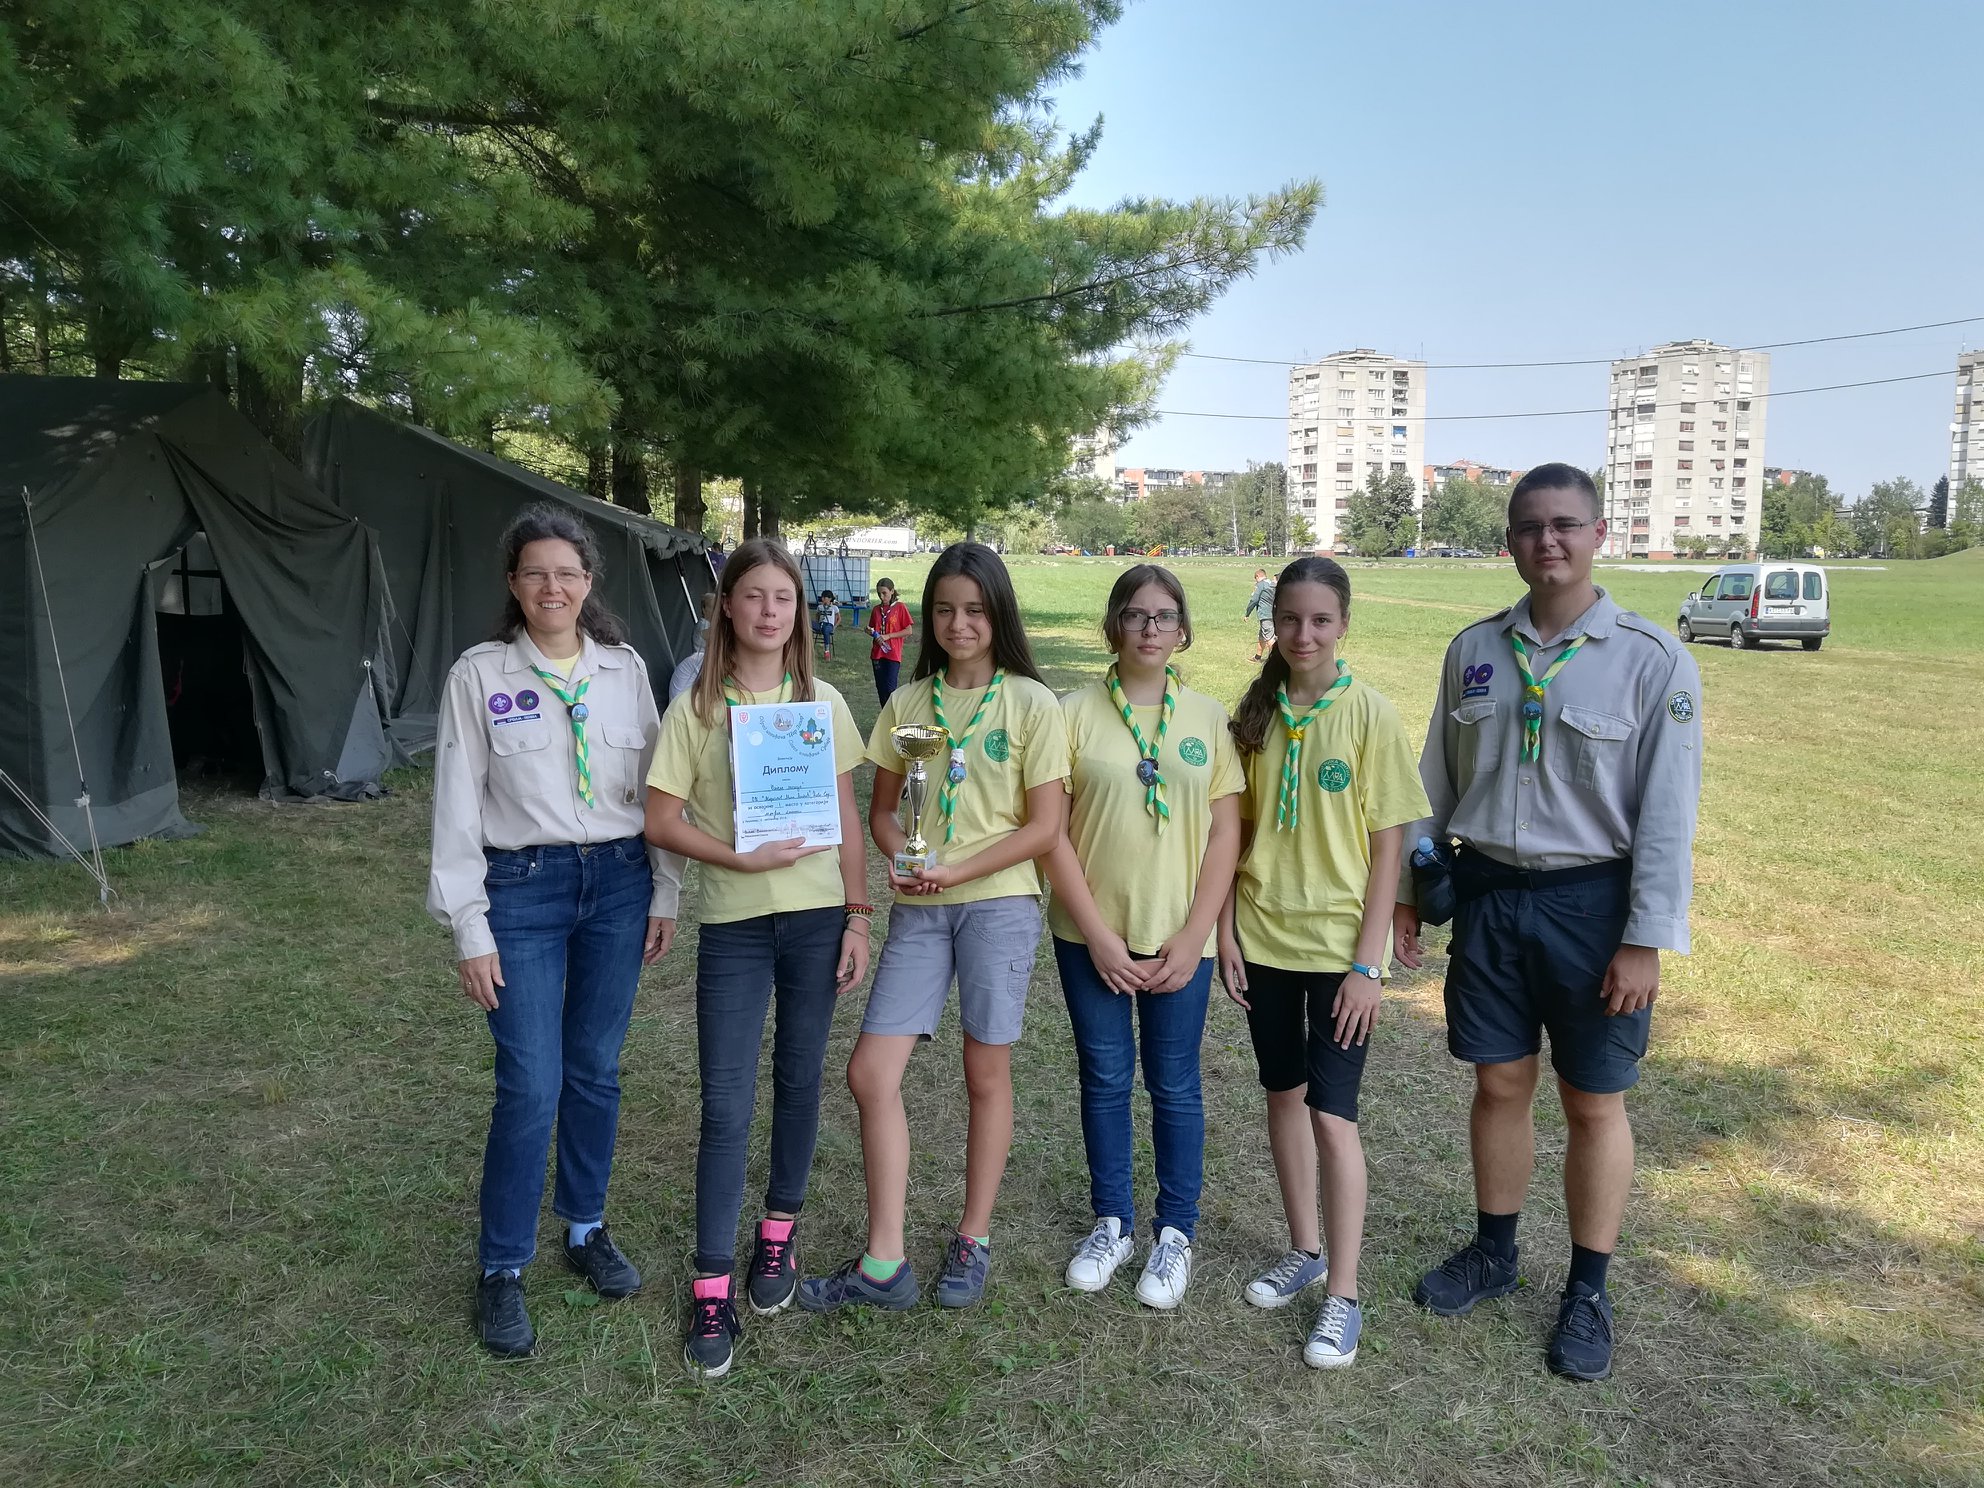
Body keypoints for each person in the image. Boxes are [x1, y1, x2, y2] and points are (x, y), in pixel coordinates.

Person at [1395, 463, 1702, 1384]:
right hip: (1490, 897)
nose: (1548, 542)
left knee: (1591, 1100)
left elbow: (1669, 814)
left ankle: (1589, 1287)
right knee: (1498, 1084)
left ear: (1600, 533)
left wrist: (1645, 937)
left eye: (1566, 524)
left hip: (1594, 907)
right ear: (1511, 540)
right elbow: (1435, 782)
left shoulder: (1652, 659)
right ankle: (1495, 1253)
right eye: (1530, 527)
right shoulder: (1474, 650)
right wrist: (1413, 886)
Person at [427, 503, 683, 1359]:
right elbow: (457, 808)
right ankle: (502, 1268)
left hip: (616, 883)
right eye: (535, 572)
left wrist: (664, 893)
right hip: (522, 892)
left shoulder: (623, 670)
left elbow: (658, 790)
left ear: (587, 583)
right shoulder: (480, 675)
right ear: (514, 584)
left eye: (567, 573)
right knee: (531, 1084)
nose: (552, 587)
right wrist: (470, 926)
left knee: (595, 1071)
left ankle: (585, 1228)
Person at [798, 542, 1069, 1314]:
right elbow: (882, 813)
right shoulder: (907, 703)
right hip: (921, 909)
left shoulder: (1030, 703)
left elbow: (1046, 826)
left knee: (985, 1074)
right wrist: (903, 856)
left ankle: (972, 1237)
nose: (959, 624)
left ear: (999, 615)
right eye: (945, 610)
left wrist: (960, 869)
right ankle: (885, 1263)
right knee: (870, 1074)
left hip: (999, 905)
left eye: (975, 610)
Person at [644, 538, 873, 1379]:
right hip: (736, 925)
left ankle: (776, 1237)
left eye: (784, 598)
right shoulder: (696, 707)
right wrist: (734, 859)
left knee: (800, 1078)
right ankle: (711, 1282)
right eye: (754, 597)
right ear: (727, 608)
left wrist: (857, 916)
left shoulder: (824, 703)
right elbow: (661, 819)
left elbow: (848, 819)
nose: (769, 612)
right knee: (725, 1102)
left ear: (798, 610)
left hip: (816, 922)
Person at [1217, 556, 1430, 1369]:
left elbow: (1389, 852)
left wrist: (1367, 966)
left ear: (1344, 624)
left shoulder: (1370, 715)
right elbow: (1232, 834)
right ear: (1273, 622)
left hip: (1339, 954)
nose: (1303, 635)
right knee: (1283, 1096)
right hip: (1265, 941)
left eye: (1320, 620)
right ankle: (1304, 1248)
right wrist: (1229, 932)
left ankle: (1343, 1293)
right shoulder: (1256, 714)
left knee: (1333, 1119)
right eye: (1290, 619)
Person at [1042, 565, 1242, 1309]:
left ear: (1183, 629)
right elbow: (1052, 834)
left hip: (1178, 938)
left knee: (1176, 1084)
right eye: (1135, 615)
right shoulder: (1072, 713)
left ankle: (1175, 1233)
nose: (1150, 628)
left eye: (1164, 616)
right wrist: (1096, 934)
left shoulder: (1209, 719)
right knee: (1103, 1078)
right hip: (1091, 935)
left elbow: (1225, 833)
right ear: (1112, 627)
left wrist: (1195, 937)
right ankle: (1113, 1221)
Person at [868, 577, 914, 704]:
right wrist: (870, 631)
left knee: (890, 688)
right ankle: (885, 716)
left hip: (893, 653)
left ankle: (892, 714)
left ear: (892, 591)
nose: (882, 597)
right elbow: (872, 627)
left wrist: (888, 636)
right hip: (877, 653)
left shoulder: (900, 607)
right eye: (879, 594)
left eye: (884, 593)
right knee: (881, 688)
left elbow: (908, 630)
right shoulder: (876, 609)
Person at [1244, 568, 1276, 663]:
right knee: (1262, 636)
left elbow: (1254, 600)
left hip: (1265, 615)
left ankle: (1276, 660)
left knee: (1269, 638)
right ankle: (1257, 657)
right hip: (1274, 613)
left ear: (1258, 576)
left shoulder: (1260, 585)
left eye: (1255, 579)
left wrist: (1247, 614)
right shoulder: (1272, 583)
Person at [814, 589, 839, 661]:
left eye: (824, 598)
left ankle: (827, 651)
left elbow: (839, 618)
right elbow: (817, 616)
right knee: (808, 623)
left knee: (826, 629)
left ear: (830, 599)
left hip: (829, 625)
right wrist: (816, 622)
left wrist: (834, 627)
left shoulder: (834, 608)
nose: (822, 599)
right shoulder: (820, 607)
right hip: (820, 624)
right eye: (822, 597)